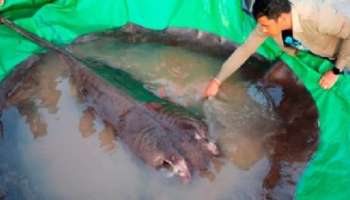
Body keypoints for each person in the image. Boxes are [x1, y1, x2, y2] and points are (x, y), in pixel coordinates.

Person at [204, 0, 350, 97]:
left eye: (266, 25)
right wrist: (217, 80)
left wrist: (336, 71)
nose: (263, 30)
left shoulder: (316, 16)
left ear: (281, 19)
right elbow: (244, 50)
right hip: (316, 49)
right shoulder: (269, 23)